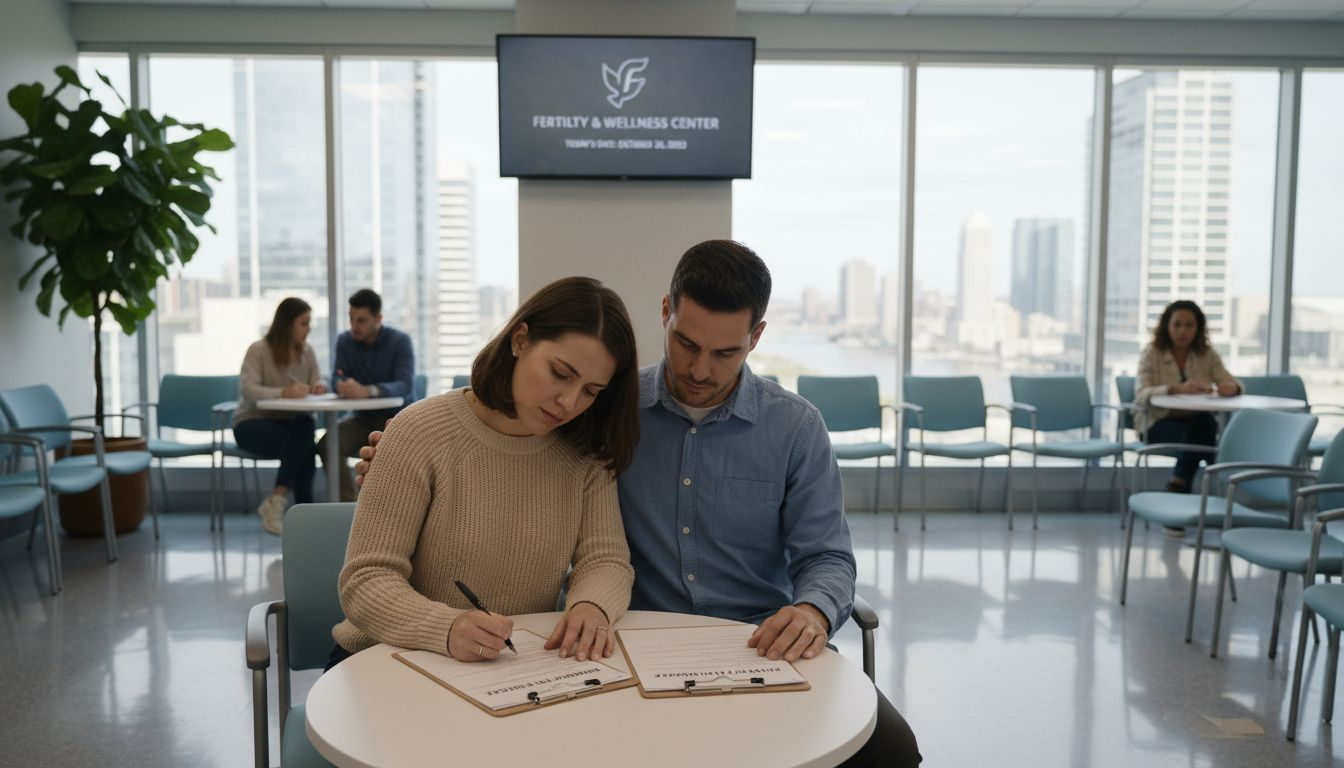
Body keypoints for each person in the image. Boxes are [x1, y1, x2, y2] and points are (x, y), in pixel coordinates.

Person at [357, 242, 921, 767]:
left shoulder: (794, 428)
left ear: (757, 337)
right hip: (639, 647)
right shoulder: (607, 417)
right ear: (665, 313)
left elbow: (827, 557)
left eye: (725, 353)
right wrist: (398, 463)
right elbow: (498, 456)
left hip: (757, 642)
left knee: (892, 750)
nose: (701, 370)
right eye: (686, 344)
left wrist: (814, 610)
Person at [328, 276, 640, 672]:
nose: (569, 401)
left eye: (591, 391)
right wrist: (445, 627)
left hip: (505, 667)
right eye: (560, 373)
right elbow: (365, 579)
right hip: (385, 659)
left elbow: (606, 558)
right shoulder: (419, 432)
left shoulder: (584, 454)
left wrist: (591, 606)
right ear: (520, 340)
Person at [234, 297, 328, 535]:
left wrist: (318, 386)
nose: (308, 329)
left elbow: (319, 379)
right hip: (252, 424)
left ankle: (285, 508)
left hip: (290, 426)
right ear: (287, 324)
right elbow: (249, 390)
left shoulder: (307, 353)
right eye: (303, 324)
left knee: (305, 431)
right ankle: (303, 514)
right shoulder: (258, 350)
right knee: (304, 440)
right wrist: (283, 392)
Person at [1135, 299, 1242, 494]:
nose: (1182, 331)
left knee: (1203, 426)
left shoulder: (1207, 354)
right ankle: (1217, 494)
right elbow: (1142, 394)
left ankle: (1178, 484)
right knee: (1206, 436)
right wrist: (1177, 389)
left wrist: (1230, 388)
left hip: (1195, 423)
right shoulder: (1152, 353)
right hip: (1157, 423)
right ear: (1167, 326)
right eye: (1177, 325)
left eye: (1189, 325)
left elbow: (1234, 383)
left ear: (1198, 328)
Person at [318, 288, 415, 502]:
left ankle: (386, 509)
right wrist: (342, 385)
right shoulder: (345, 341)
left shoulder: (400, 341)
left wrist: (368, 390)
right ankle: (349, 509)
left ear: (378, 319)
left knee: (388, 452)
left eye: (361, 320)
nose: (354, 326)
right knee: (327, 445)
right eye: (351, 319)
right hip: (362, 419)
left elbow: (405, 385)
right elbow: (336, 377)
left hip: (395, 420)